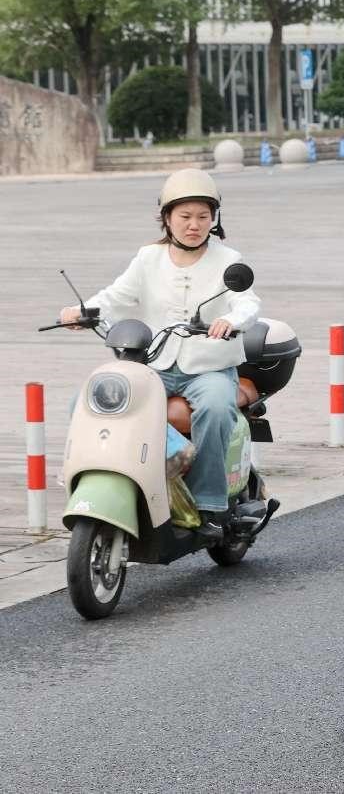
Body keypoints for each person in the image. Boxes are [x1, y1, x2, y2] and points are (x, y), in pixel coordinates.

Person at [59, 169, 260, 539]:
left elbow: (247, 303)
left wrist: (231, 320)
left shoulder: (228, 258)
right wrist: (84, 311)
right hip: (155, 366)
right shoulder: (148, 258)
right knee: (85, 401)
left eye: (203, 216)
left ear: (214, 219)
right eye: (185, 217)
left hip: (208, 368)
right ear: (167, 218)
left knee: (216, 408)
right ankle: (126, 474)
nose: (194, 225)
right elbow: (117, 296)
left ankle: (209, 503)